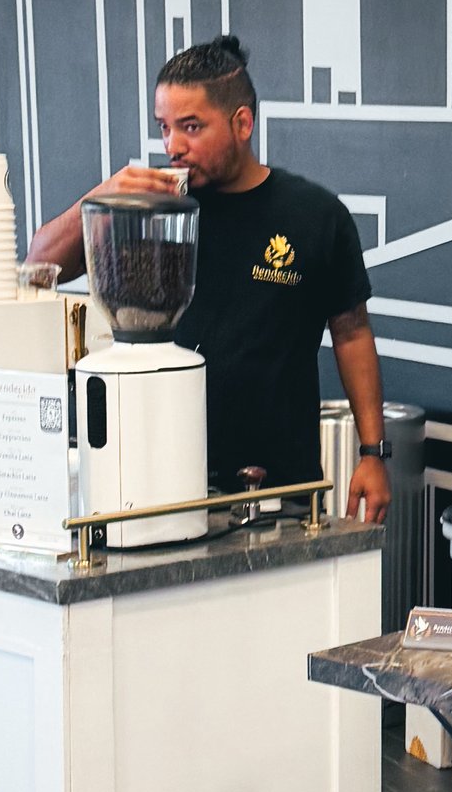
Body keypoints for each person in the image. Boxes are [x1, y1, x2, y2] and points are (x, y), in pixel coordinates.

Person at [30, 35, 392, 523]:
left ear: (242, 123)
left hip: (281, 492)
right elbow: (40, 265)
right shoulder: (155, 211)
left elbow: (352, 332)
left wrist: (372, 453)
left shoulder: (315, 215)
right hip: (159, 484)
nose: (172, 146)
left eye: (191, 127)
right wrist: (103, 196)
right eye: (164, 127)